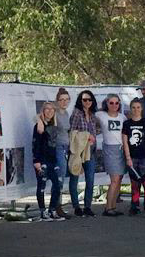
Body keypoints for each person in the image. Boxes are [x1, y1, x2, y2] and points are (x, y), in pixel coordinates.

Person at [122, 97, 145, 216]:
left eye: (138, 107)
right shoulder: (126, 124)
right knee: (134, 184)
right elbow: (125, 142)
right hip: (132, 158)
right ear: (130, 109)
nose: (136, 110)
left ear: (141, 109)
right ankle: (135, 205)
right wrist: (128, 158)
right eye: (133, 107)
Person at [67, 89, 99, 217]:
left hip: (90, 151)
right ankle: (76, 207)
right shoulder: (76, 113)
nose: (87, 102)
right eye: (84, 99)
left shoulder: (92, 115)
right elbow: (72, 132)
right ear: (80, 101)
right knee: (74, 179)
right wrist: (86, 136)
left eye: (89, 99)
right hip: (78, 151)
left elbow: (95, 130)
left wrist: (93, 138)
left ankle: (87, 206)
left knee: (90, 180)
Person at [32, 101, 65, 221]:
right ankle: (43, 212)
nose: (50, 111)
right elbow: (36, 144)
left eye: (52, 109)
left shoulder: (54, 125)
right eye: (47, 109)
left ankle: (52, 210)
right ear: (43, 111)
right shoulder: (38, 125)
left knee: (57, 185)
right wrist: (36, 160)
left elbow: (53, 145)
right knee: (42, 185)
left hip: (52, 160)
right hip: (42, 160)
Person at [96, 93, 128, 215]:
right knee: (114, 179)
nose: (114, 105)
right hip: (110, 150)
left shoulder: (122, 117)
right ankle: (108, 208)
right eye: (111, 103)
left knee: (119, 179)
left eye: (116, 103)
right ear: (107, 103)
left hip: (121, 150)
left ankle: (113, 206)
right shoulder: (100, 115)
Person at [50, 87, 72, 218]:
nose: (64, 102)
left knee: (61, 177)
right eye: (61, 100)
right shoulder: (55, 113)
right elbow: (39, 118)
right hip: (57, 147)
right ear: (57, 101)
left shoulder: (66, 114)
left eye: (66, 99)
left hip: (65, 147)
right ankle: (55, 207)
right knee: (59, 178)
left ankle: (56, 206)